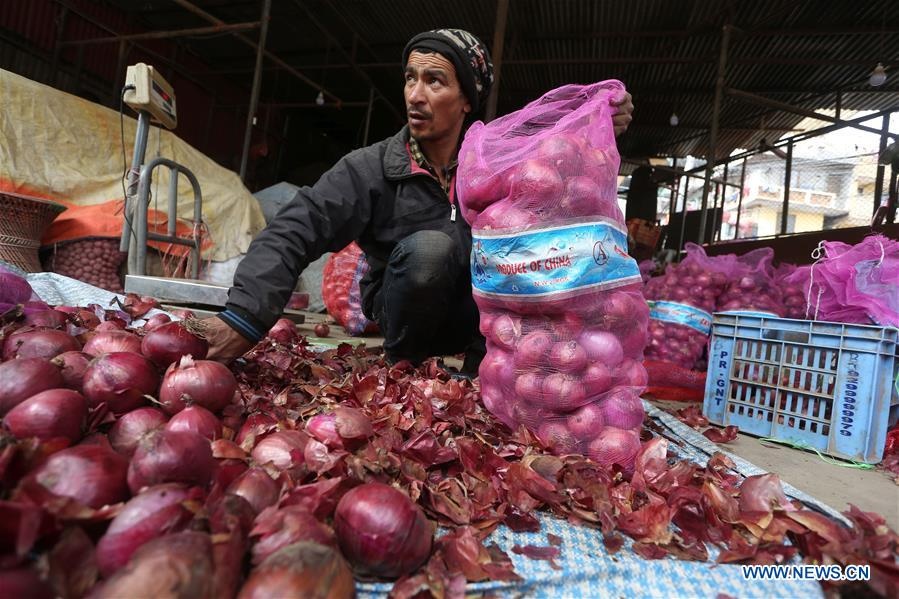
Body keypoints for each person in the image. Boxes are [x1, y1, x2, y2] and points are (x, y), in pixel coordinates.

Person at [203, 28, 634, 375]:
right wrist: (245, 315)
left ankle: (486, 369)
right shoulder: (371, 168)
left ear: (466, 100)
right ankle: (403, 369)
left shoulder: (496, 168)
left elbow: (555, 185)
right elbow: (295, 228)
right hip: (404, 313)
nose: (415, 94)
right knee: (431, 249)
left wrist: (593, 121)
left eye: (434, 81)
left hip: (480, 322)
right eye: (410, 78)